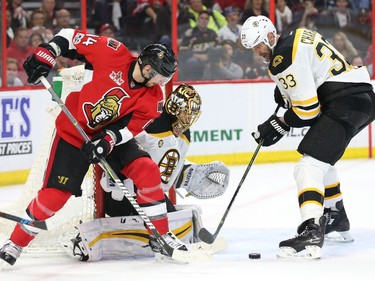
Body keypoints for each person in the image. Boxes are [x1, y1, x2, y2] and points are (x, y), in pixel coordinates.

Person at [0, 27, 199, 269]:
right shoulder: (112, 52)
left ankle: (161, 236)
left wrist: (108, 140)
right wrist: (48, 52)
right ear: (148, 69)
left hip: (111, 137)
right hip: (74, 133)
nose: (163, 82)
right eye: (161, 76)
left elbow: (131, 128)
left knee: (147, 170)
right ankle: (15, 243)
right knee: (53, 198)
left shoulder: (153, 97)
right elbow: (70, 36)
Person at [240, 15, 375, 259]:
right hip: (362, 98)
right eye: (253, 48)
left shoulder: (281, 59)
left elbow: (308, 111)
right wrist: (287, 95)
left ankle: (312, 230)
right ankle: (335, 216)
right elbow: (313, 77)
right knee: (320, 159)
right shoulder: (298, 35)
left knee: (308, 166)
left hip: (344, 102)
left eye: (259, 44)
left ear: (271, 36)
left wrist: (278, 124)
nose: (258, 52)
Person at [65, 84, 230, 261]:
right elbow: (125, 152)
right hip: (119, 193)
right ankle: (92, 240)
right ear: (174, 108)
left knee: (170, 218)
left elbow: (163, 179)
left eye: (192, 113)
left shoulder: (183, 135)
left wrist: (184, 174)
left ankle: (152, 239)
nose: (189, 118)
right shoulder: (153, 123)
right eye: (185, 112)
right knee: (163, 224)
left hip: (147, 190)